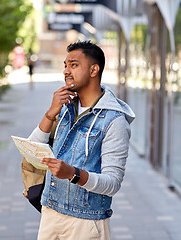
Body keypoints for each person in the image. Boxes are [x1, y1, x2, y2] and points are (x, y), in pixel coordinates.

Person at [27, 40, 135, 240]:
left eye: (74, 65)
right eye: (65, 65)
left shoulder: (114, 121)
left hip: (86, 222)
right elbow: (32, 150)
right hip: (50, 212)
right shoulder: (65, 107)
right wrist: (50, 114)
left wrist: (72, 173)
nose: (66, 71)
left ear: (94, 70)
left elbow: (112, 184)